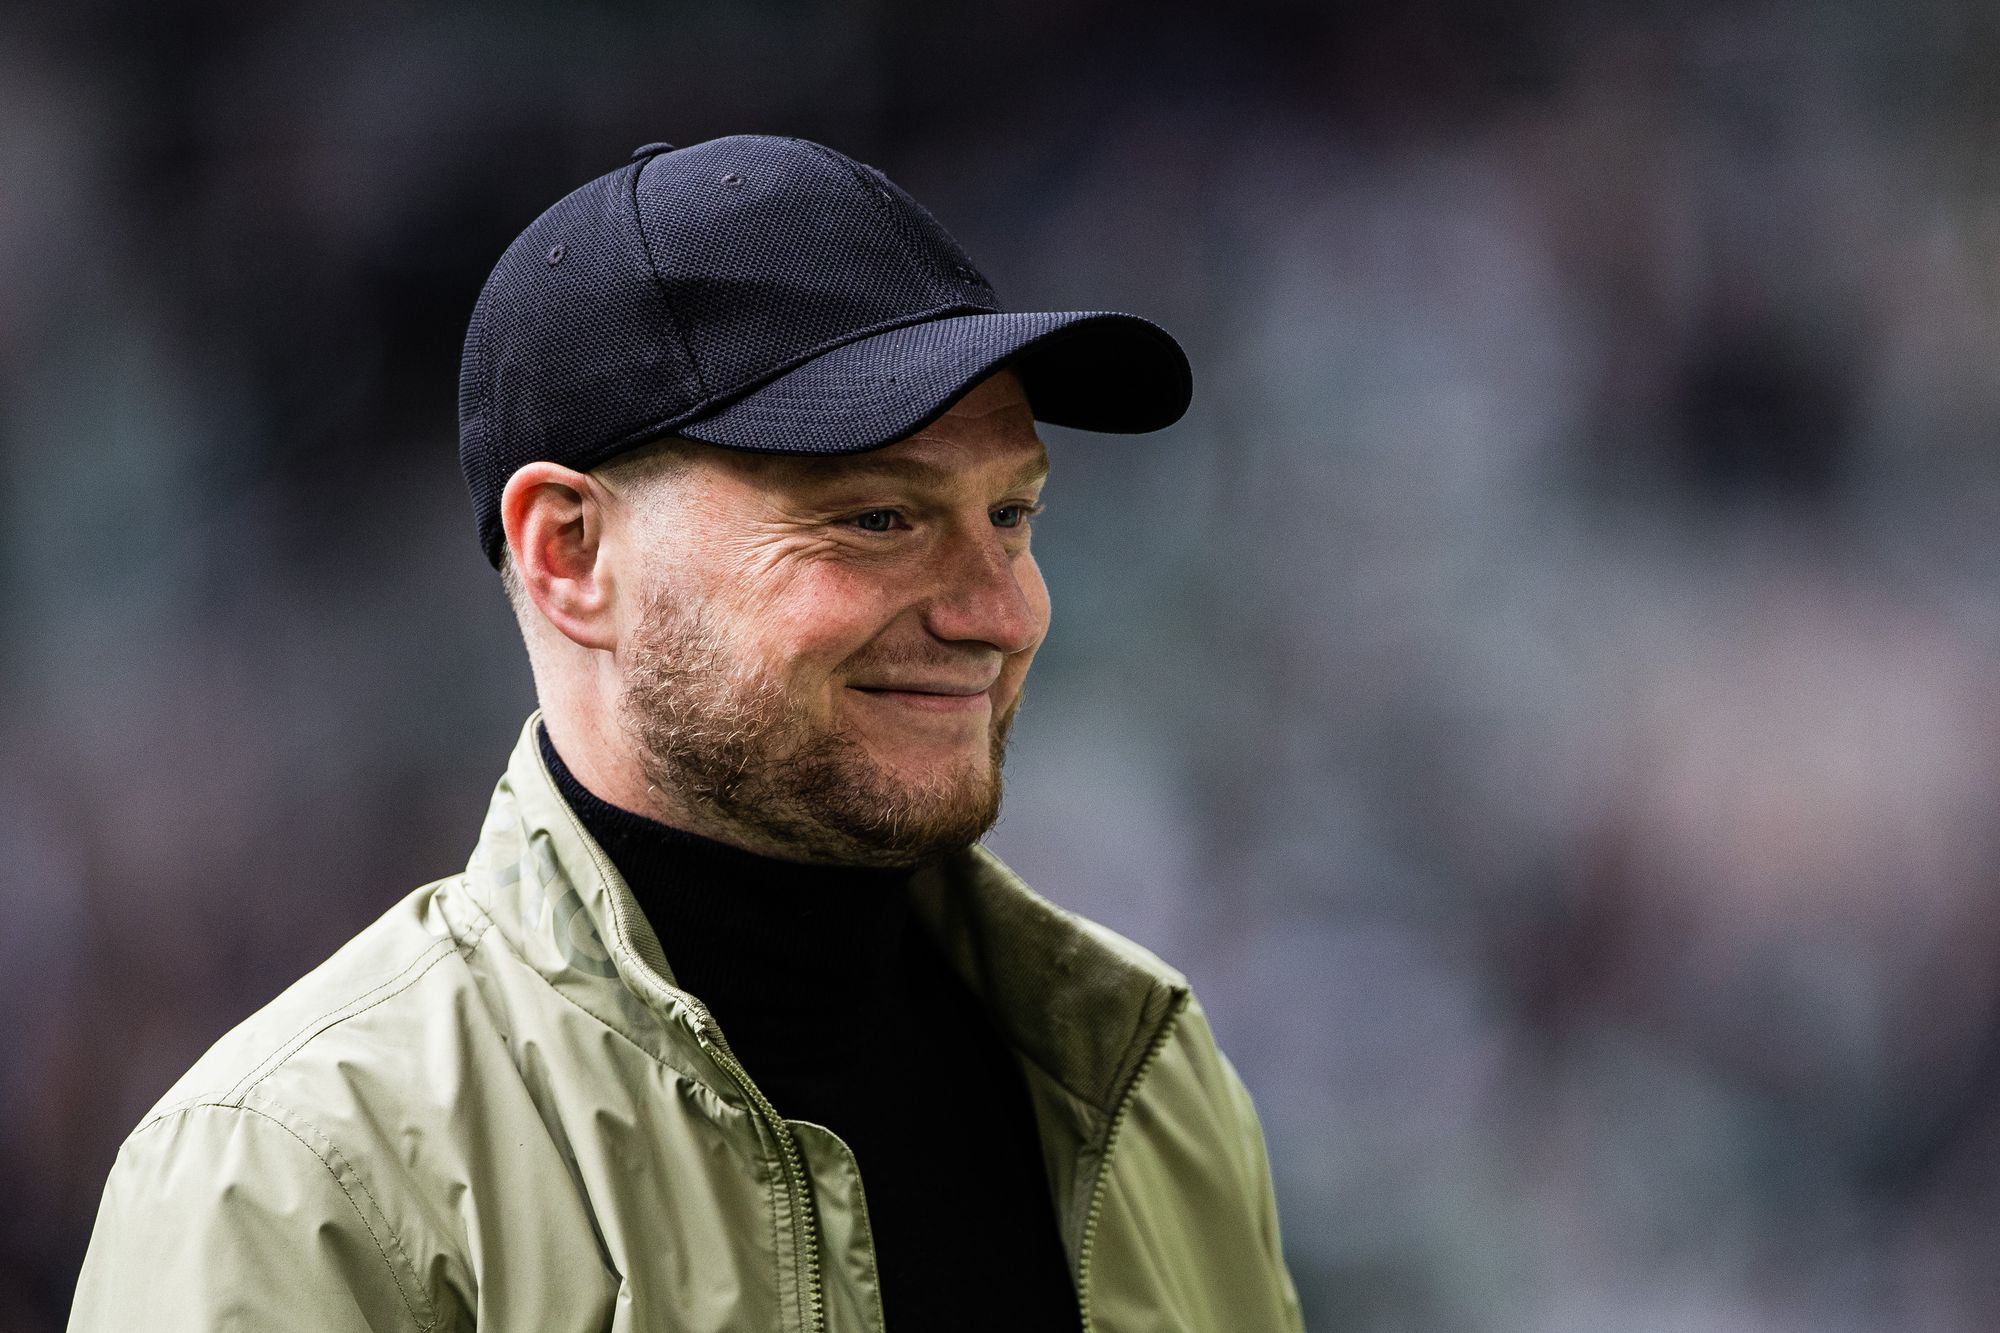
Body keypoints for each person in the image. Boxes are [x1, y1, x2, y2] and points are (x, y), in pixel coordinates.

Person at [68, 134, 1304, 1333]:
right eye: (876, 519)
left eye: (1010, 514)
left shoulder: (1149, 1081)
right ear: (569, 553)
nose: (1002, 612)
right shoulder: (295, 1178)